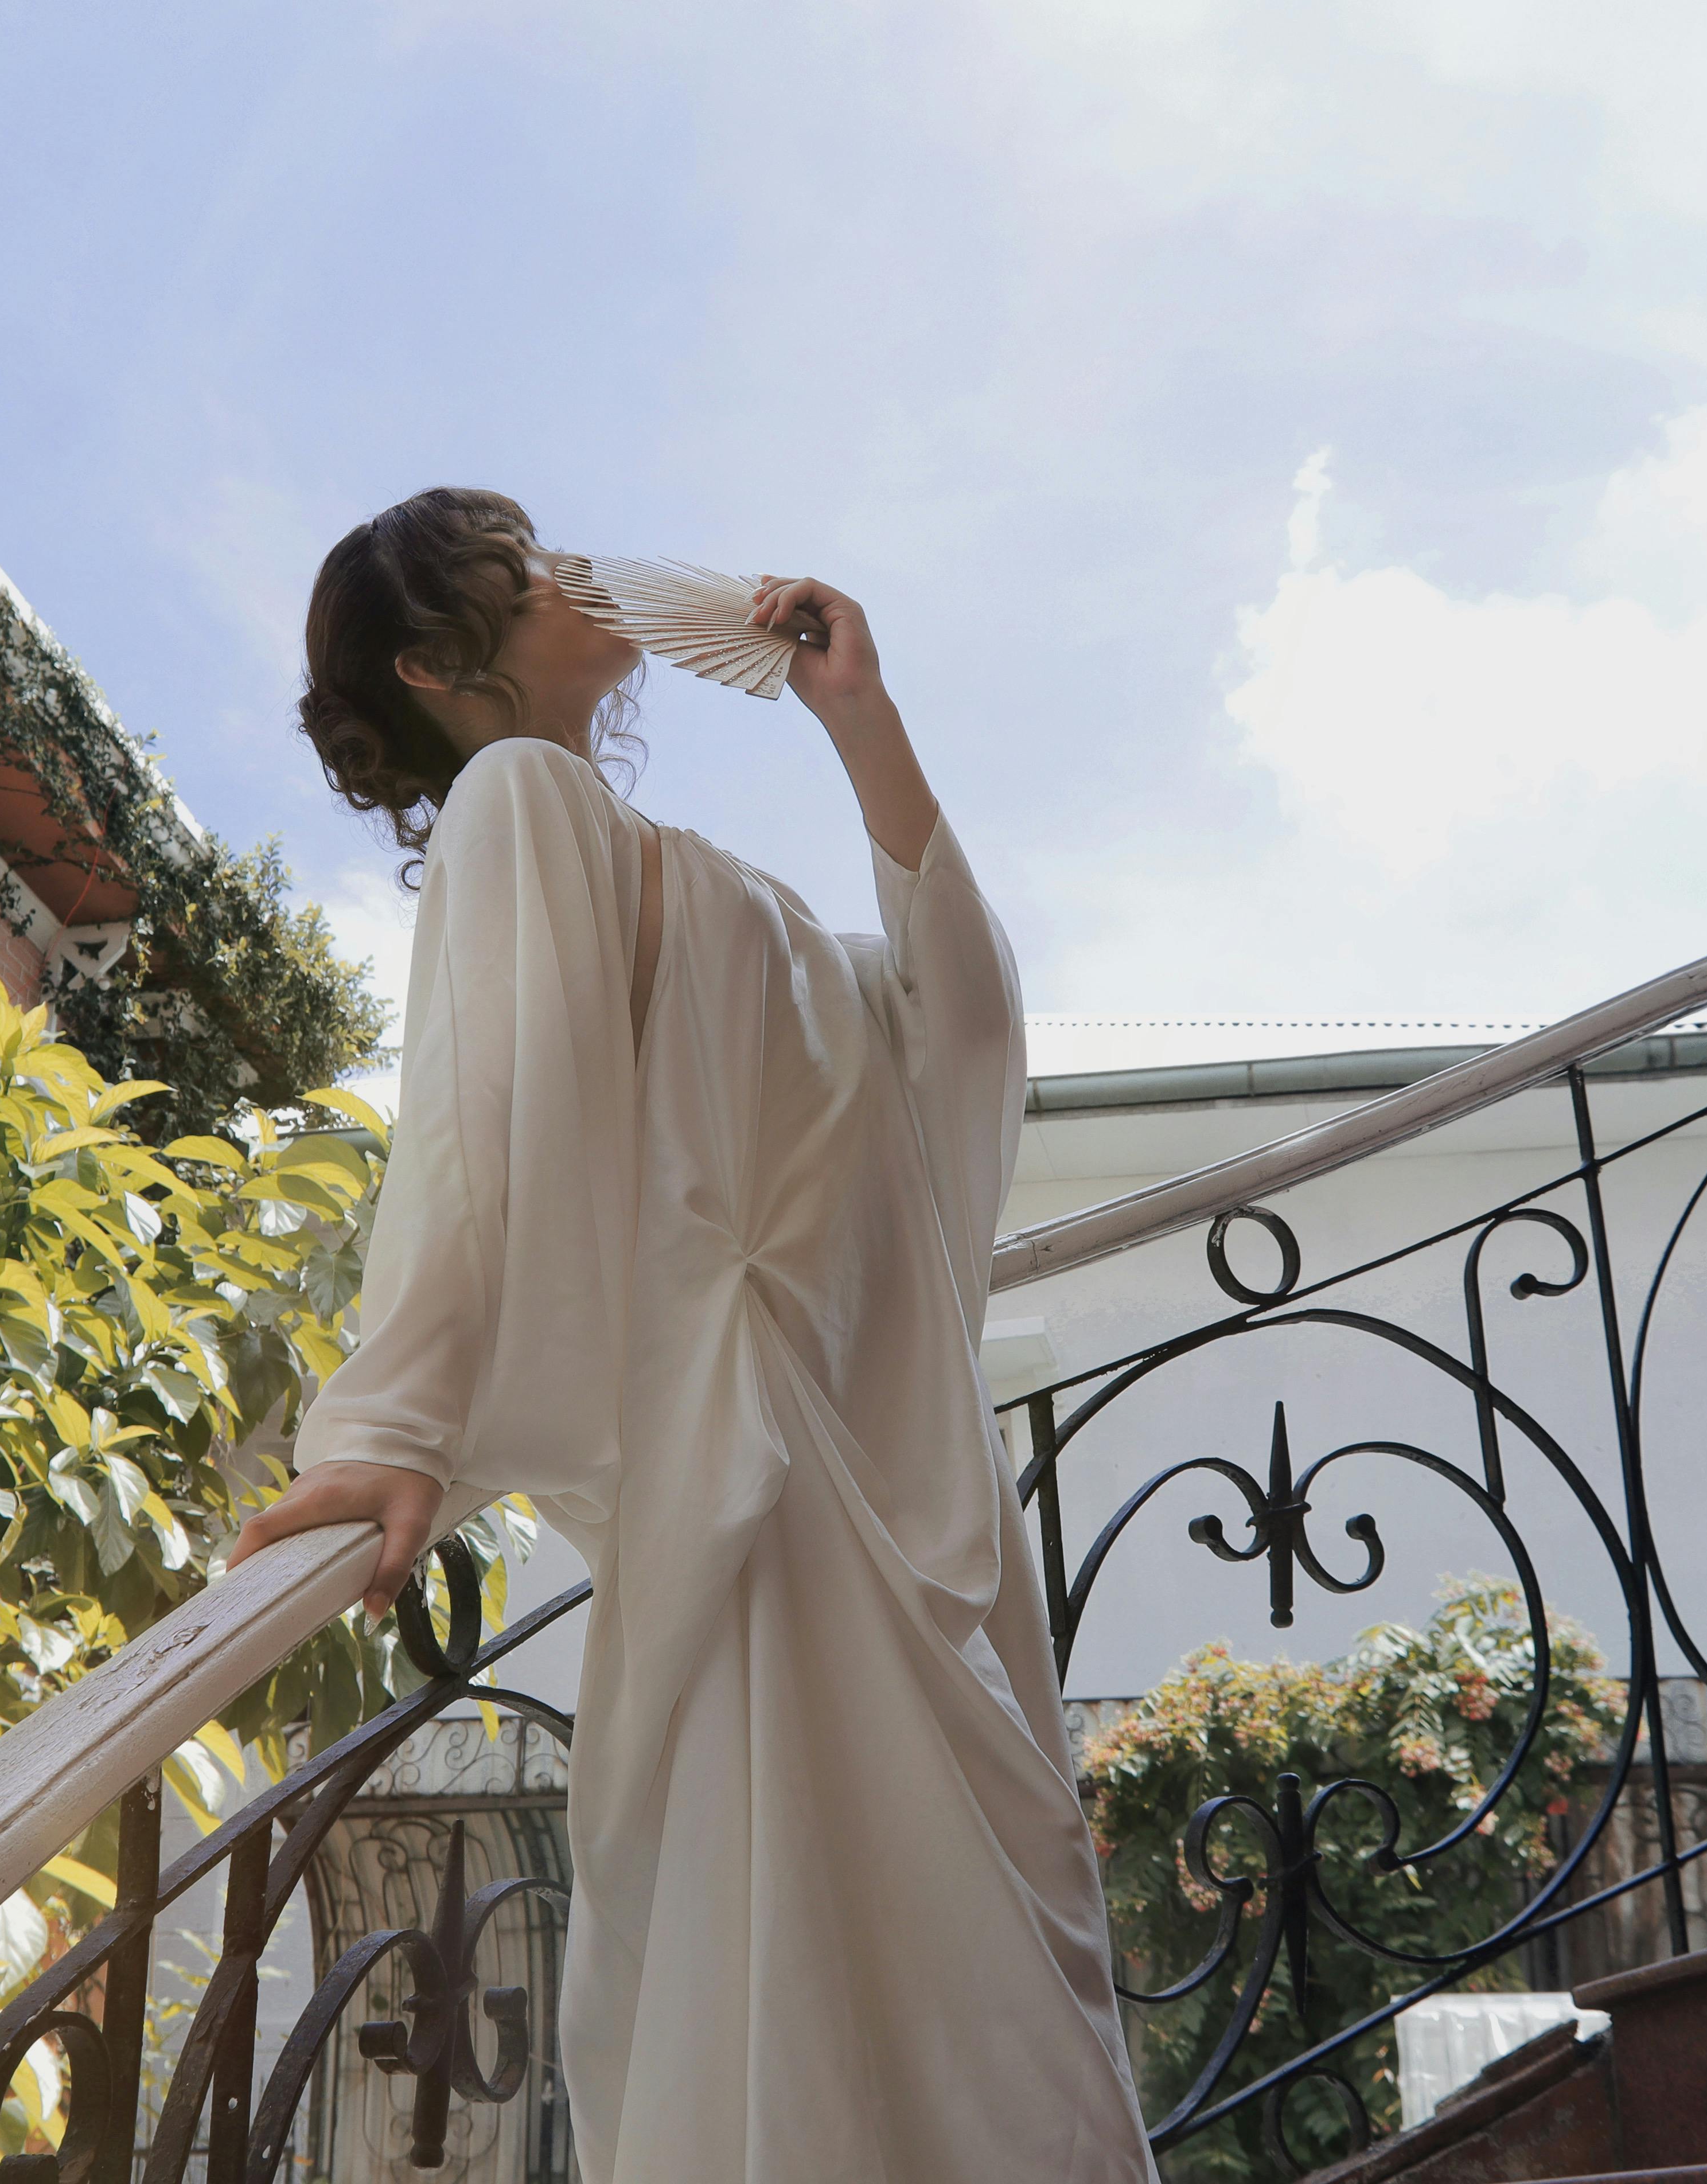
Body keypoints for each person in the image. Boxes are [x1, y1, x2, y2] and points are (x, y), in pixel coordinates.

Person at [237, 487, 1156, 2183]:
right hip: (766, 1520)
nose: (581, 573)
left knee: (991, 2057)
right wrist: (398, 1425)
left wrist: (857, 721)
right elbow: (475, 1110)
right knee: (877, 2051)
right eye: (526, 579)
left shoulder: (715, 886)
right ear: (444, 669)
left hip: (891, 1505)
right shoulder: (524, 804)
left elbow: (962, 1026)